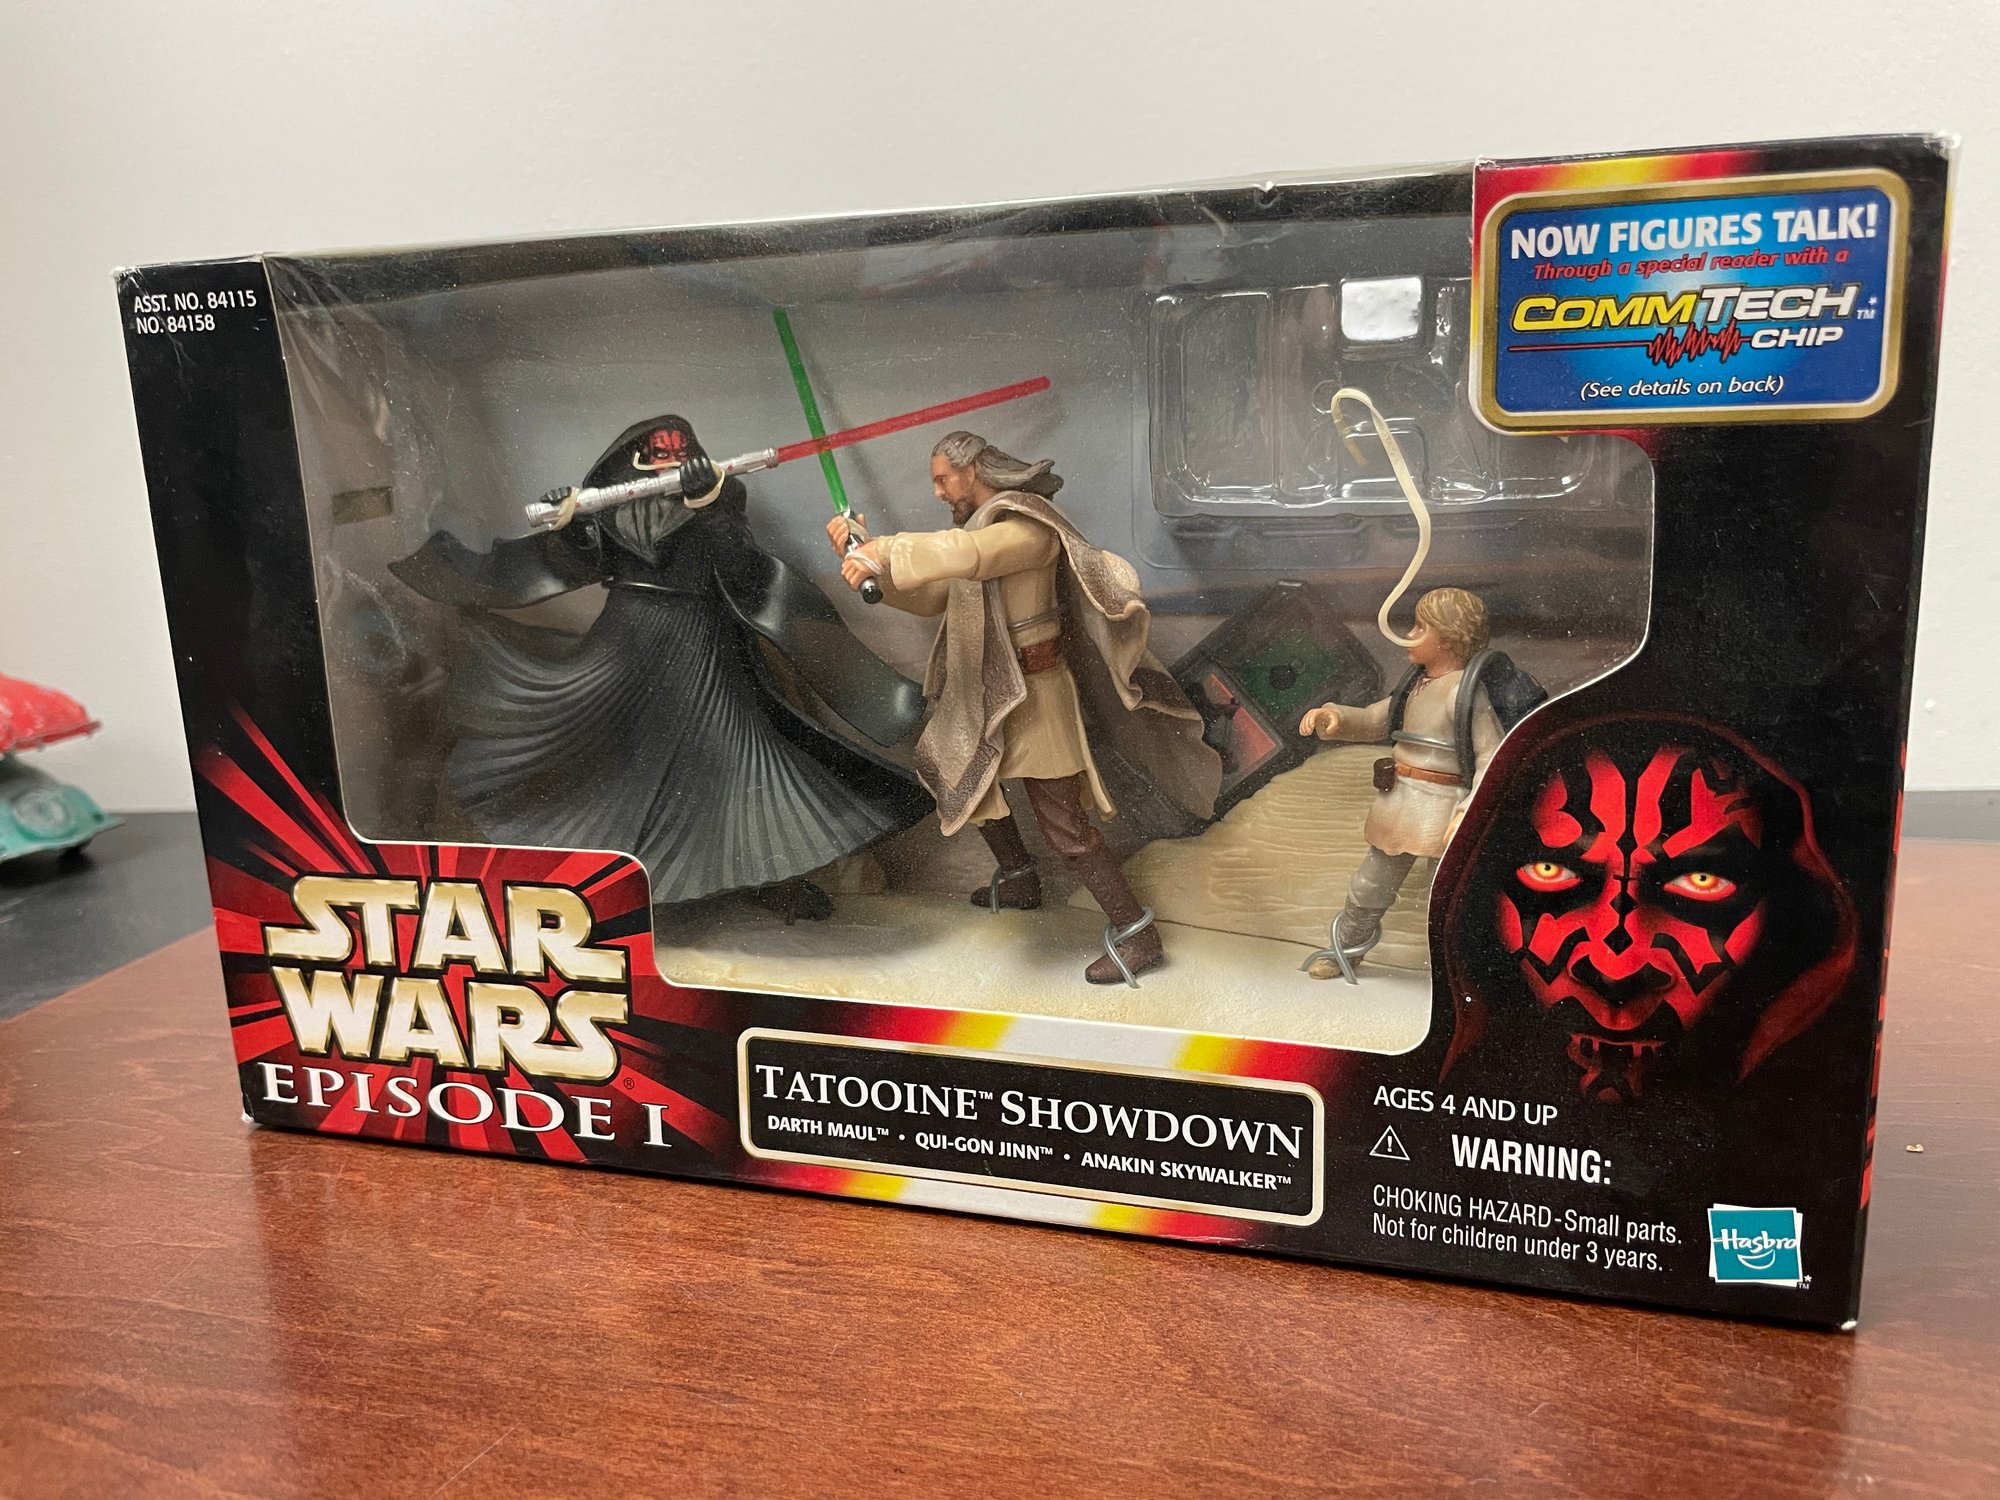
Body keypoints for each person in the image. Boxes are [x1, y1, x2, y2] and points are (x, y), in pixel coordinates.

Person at [391, 414, 932, 918]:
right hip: (626, 643)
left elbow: (742, 569)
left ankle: (770, 876)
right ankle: (603, 878)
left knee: (743, 764)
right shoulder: (609, 509)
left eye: (680, 455)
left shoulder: (718, 498)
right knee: (604, 758)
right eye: (658, 457)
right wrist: (571, 522)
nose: (671, 464)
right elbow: (578, 560)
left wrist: (711, 506)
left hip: (703, 645)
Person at [827, 431, 1220, 984]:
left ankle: (1137, 933)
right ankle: (1019, 878)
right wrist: (869, 564)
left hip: (1037, 696)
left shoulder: (1028, 528)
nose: (938, 492)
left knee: (1065, 825)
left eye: (943, 479)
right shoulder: (976, 533)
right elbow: (934, 595)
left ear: (973, 470)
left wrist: (886, 550)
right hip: (984, 692)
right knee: (964, 783)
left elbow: (967, 555)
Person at [1296, 587, 1501, 982]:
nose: (1409, 634)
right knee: (1369, 885)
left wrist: (1467, 812)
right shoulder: (1416, 684)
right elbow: (1379, 718)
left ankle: (1465, 971)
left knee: (1452, 895)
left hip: (1444, 809)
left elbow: (1490, 755)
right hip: (1401, 803)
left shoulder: (1462, 693)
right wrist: (1335, 718)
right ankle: (1345, 951)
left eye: (1421, 627)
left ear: (1448, 637)